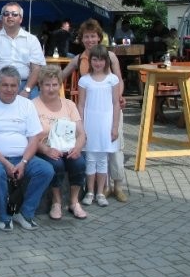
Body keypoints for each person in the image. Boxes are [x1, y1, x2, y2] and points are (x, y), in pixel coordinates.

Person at [0, 66, 54, 232]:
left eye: (13, 85)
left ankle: (25, 213)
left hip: (23, 157)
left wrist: (24, 162)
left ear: (19, 86)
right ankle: (5, 216)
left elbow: (34, 138)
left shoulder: (26, 104)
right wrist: (5, 163)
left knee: (46, 170)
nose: (9, 89)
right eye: (5, 85)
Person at [60, 19, 128, 202]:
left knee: (115, 148)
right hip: (91, 110)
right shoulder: (79, 58)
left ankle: (118, 185)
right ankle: (101, 188)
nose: (90, 40)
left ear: (99, 38)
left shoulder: (110, 56)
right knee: (94, 150)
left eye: (93, 36)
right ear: (82, 39)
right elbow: (61, 75)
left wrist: (119, 96)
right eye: (86, 37)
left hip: (110, 107)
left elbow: (119, 79)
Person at [33, 65, 87, 220]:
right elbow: (30, 138)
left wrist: (77, 147)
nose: (51, 88)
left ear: (60, 85)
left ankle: (74, 201)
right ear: (40, 85)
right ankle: (56, 202)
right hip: (45, 148)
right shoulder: (32, 105)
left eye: (55, 84)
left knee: (79, 163)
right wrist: (45, 150)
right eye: (47, 84)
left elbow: (82, 133)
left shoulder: (69, 105)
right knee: (56, 164)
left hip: (69, 147)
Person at [77, 45, 121, 208]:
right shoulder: (84, 80)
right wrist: (81, 128)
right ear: (90, 61)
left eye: (101, 60)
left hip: (106, 123)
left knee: (102, 159)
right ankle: (89, 191)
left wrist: (114, 126)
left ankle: (101, 192)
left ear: (106, 61)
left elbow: (116, 103)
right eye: (95, 59)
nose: (98, 63)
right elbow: (80, 105)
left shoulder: (112, 79)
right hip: (90, 123)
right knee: (90, 159)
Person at [0, 2, 46, 99]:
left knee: (34, 104)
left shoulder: (32, 39)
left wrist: (27, 90)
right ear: (2, 17)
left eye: (14, 14)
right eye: (6, 14)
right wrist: (0, 85)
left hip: (24, 83)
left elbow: (36, 69)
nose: (10, 16)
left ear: (21, 19)